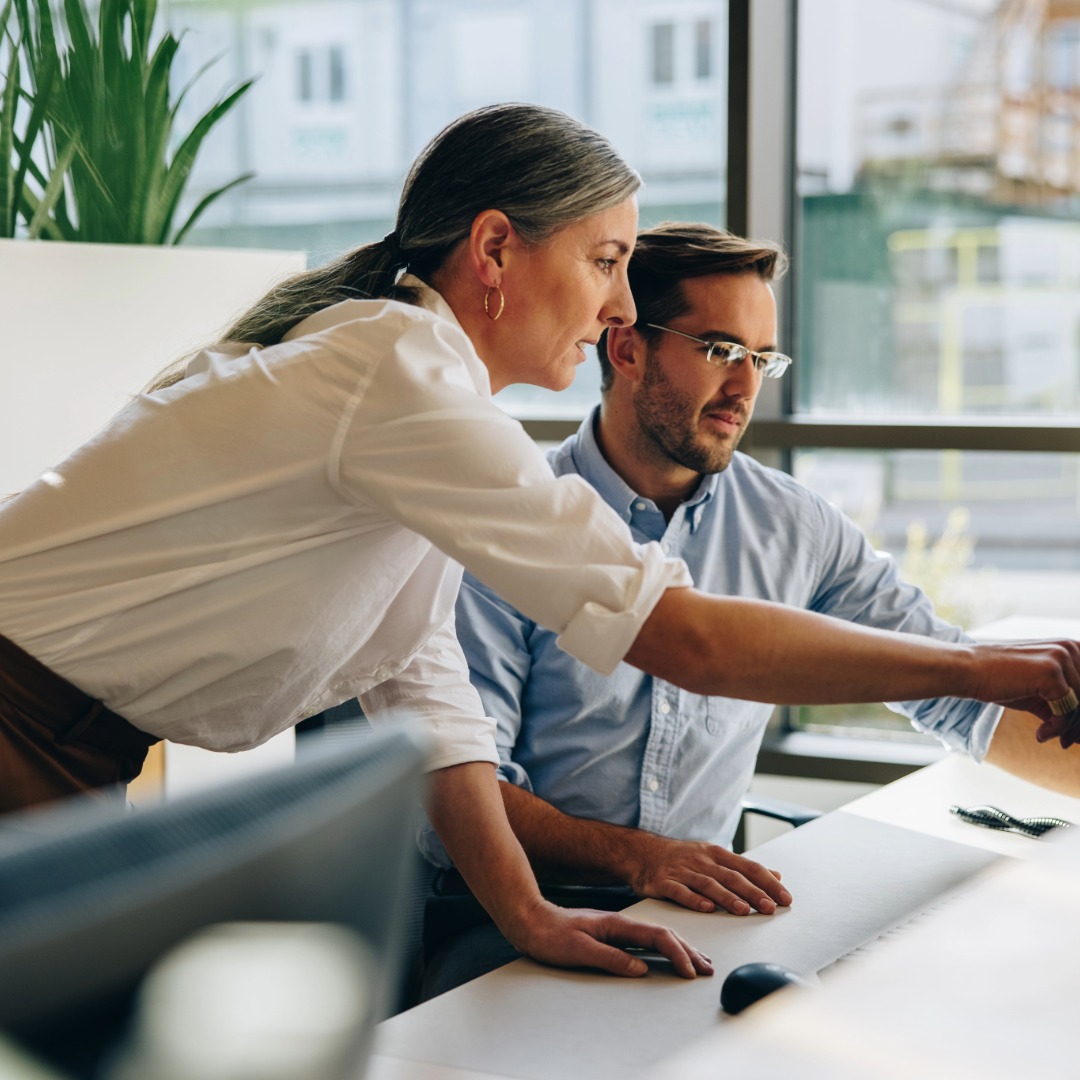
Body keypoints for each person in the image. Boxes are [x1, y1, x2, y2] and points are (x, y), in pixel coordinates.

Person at [0, 108, 1077, 982]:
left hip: (69, 745)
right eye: (606, 260)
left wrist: (528, 915)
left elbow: (418, 688)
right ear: (496, 249)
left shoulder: (416, 401)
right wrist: (983, 665)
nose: (617, 301)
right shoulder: (398, 376)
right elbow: (679, 637)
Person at [420, 221, 1080, 993]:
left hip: (701, 913)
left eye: (762, 358)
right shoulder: (511, 522)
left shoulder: (793, 524)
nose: (746, 388)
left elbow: (959, 696)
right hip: (512, 913)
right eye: (721, 350)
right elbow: (465, 786)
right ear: (626, 348)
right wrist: (641, 856)